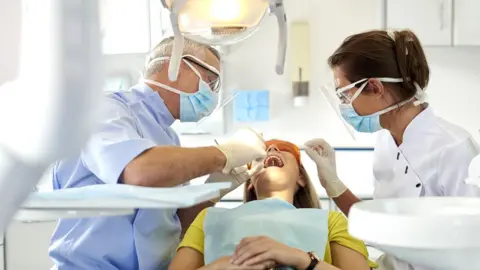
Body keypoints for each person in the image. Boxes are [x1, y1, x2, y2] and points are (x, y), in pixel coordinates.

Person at [48, 37, 267, 269]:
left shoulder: (169, 140)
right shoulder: (105, 111)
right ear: (176, 66)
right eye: (211, 82)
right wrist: (224, 153)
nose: (213, 95)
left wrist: (217, 185)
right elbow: (139, 172)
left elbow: (177, 224)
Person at [304, 29, 480, 270]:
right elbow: (381, 224)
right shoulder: (386, 144)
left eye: (345, 96)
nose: (344, 106)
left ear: (375, 87)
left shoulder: (453, 148)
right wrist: (333, 184)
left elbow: (473, 246)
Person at [169, 139, 377, 270]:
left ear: (301, 178)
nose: (273, 148)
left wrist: (302, 260)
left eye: (284, 149)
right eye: (262, 152)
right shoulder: (210, 220)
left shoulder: (332, 222)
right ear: (250, 181)